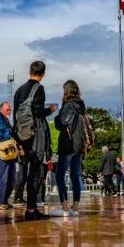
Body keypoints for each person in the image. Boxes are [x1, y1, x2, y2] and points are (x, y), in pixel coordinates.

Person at [13, 60, 54, 221]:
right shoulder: (39, 88)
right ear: (43, 74)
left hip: (22, 135)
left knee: (26, 172)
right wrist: (49, 111)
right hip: (35, 135)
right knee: (35, 173)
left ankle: (30, 208)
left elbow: (16, 115)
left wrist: (18, 139)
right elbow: (37, 112)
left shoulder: (19, 90)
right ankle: (31, 210)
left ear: (29, 72)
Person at [52, 80, 88, 217]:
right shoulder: (81, 105)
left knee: (60, 175)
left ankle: (64, 207)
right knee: (74, 175)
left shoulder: (68, 106)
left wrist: (56, 118)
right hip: (79, 146)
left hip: (68, 145)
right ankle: (76, 207)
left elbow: (63, 124)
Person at [0, 101, 17, 211]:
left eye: (10, 109)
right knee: (1, 178)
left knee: (11, 178)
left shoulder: (5, 121)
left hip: (9, 154)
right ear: (1, 110)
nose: (9, 111)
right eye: (7, 109)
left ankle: (4, 199)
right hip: (0, 153)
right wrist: (9, 138)